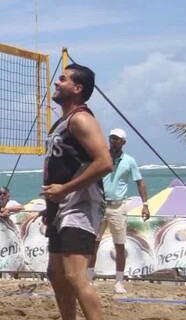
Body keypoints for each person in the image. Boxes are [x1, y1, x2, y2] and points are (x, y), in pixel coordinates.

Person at [41, 63, 113, 320]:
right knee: (56, 275)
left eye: (63, 79)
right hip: (62, 207)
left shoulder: (81, 119)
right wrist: (51, 205)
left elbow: (105, 163)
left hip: (81, 205)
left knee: (74, 275)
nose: (56, 82)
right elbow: (62, 168)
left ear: (78, 88)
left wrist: (65, 190)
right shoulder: (61, 122)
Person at [86, 128, 150, 294]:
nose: (114, 142)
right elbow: (90, 177)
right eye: (112, 139)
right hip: (99, 205)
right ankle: (88, 279)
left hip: (118, 206)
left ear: (123, 142)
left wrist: (145, 204)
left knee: (120, 245)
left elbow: (140, 182)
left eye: (117, 139)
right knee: (93, 243)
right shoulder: (102, 158)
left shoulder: (129, 161)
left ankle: (119, 282)